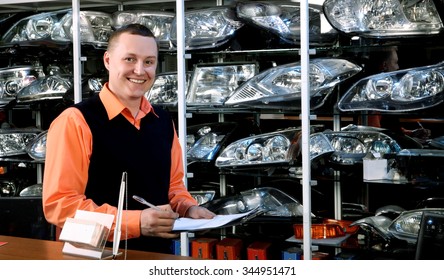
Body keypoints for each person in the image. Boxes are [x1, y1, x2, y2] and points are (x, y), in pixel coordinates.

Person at [42, 24, 215, 254]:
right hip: (93, 259)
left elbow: (173, 187)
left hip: (156, 257)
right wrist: (136, 222)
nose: (140, 70)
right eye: (130, 59)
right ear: (107, 60)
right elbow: (60, 206)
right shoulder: (75, 121)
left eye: (149, 62)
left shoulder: (163, 121)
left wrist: (189, 209)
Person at [364, 46, 431, 141]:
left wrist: (411, 134)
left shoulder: (385, 93)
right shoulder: (373, 95)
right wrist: (408, 141)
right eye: (395, 63)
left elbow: (390, 129)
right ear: (384, 65)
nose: (398, 67)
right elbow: (375, 135)